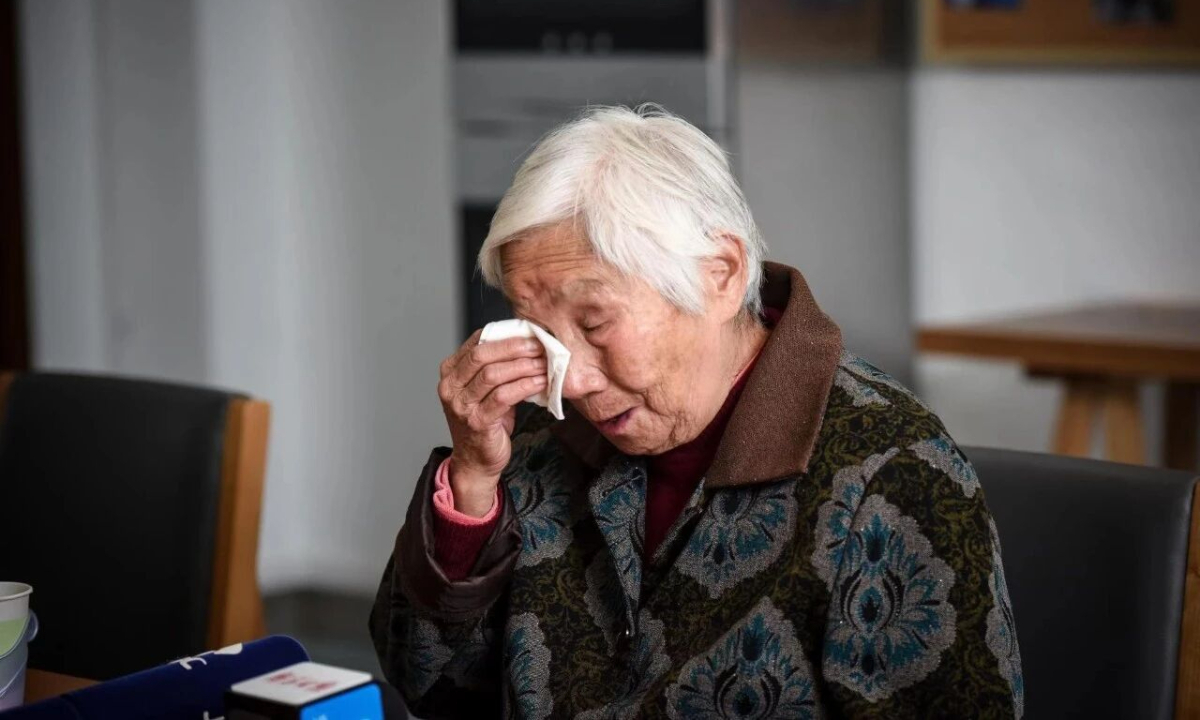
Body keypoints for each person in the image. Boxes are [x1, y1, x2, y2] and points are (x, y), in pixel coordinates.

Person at [369, 105, 1023, 718]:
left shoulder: (893, 476)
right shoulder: (536, 429)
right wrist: (474, 483)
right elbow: (429, 690)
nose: (569, 380)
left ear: (720, 274)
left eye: (595, 320)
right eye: (537, 329)